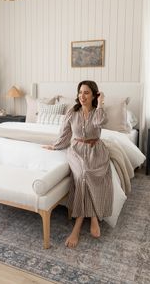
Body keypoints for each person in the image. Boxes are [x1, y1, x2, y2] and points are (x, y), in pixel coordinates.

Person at [42, 80, 113, 248]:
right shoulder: (72, 112)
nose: (82, 96)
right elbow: (65, 133)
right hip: (77, 150)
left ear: (94, 95)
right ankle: (81, 223)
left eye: (86, 92)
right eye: (80, 92)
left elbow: (100, 123)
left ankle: (92, 216)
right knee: (82, 175)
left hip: (96, 150)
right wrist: (55, 146)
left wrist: (101, 103)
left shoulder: (98, 112)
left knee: (90, 174)